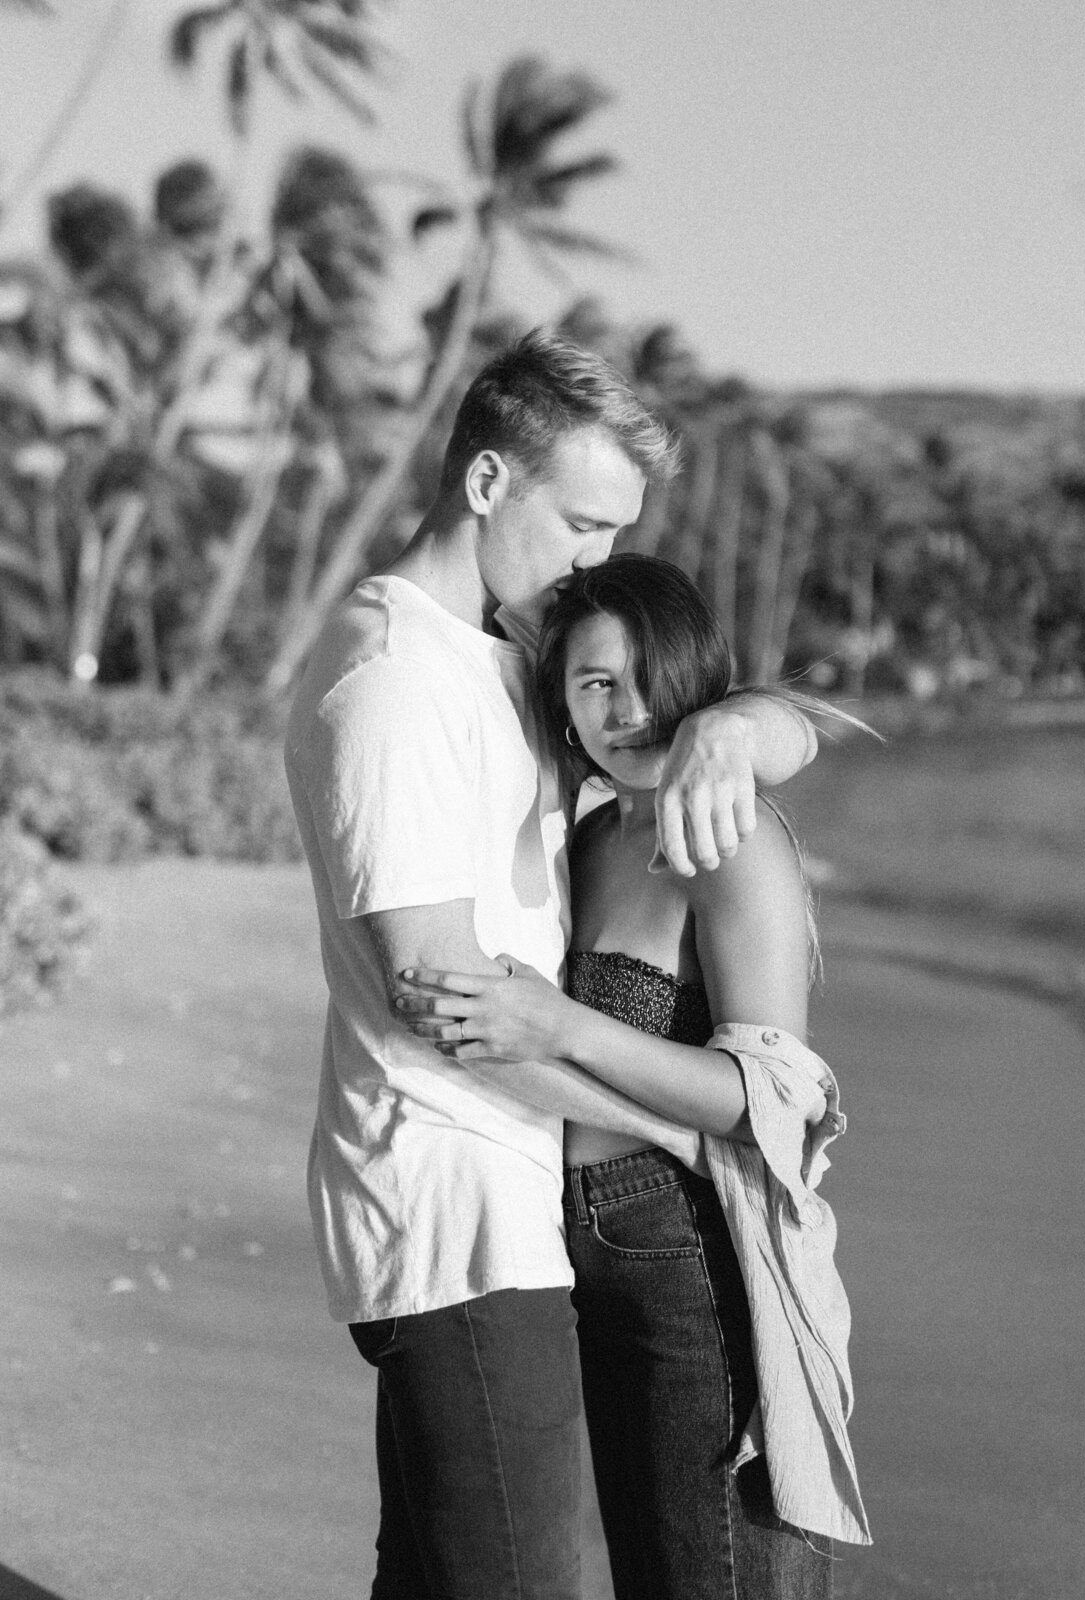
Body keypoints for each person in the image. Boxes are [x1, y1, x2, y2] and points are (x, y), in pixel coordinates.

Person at [284, 333, 821, 1600]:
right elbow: (447, 1000)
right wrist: (683, 1135)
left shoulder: (498, 661)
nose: (600, 559)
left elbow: (762, 718)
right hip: (450, 1195)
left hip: (512, 1204)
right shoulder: (394, 676)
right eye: (582, 522)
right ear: (486, 485)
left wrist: (736, 729)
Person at [398, 553, 872, 1600]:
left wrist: (557, 1024)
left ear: (699, 681)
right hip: (585, 1250)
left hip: (692, 1257)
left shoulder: (733, 841)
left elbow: (767, 1103)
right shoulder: (589, 831)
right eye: (595, 683)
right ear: (561, 705)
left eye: (651, 675)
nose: (630, 707)